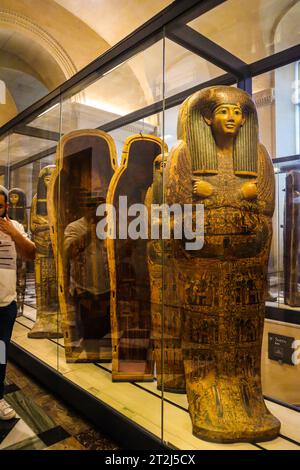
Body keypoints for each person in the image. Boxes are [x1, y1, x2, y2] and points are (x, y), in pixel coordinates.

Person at [0, 185, 36, 420]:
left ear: (7, 206)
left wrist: (14, 233)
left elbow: (31, 254)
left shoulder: (17, 228)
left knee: (1, 355)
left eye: (0, 205)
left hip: (6, 305)